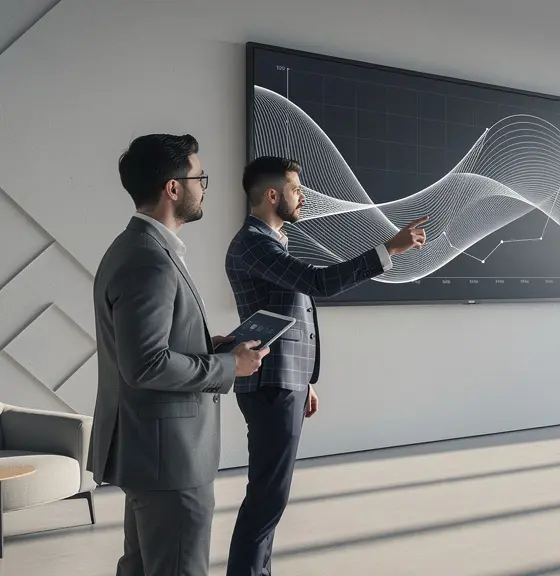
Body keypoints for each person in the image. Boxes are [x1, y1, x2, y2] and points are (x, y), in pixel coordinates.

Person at [223, 156, 426, 576]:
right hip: (270, 386)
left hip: (285, 382)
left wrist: (306, 381)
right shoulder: (254, 243)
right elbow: (320, 283)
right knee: (267, 499)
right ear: (272, 194)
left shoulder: (271, 242)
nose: (303, 198)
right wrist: (389, 249)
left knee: (270, 497)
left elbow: (285, 315)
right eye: (297, 190)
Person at [88, 133, 269, 576]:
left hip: (151, 451)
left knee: (142, 566)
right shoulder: (149, 259)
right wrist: (230, 365)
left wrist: (211, 346)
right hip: (169, 457)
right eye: (198, 176)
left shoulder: (136, 249)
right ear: (173, 187)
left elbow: (149, 346)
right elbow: (146, 364)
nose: (203, 186)